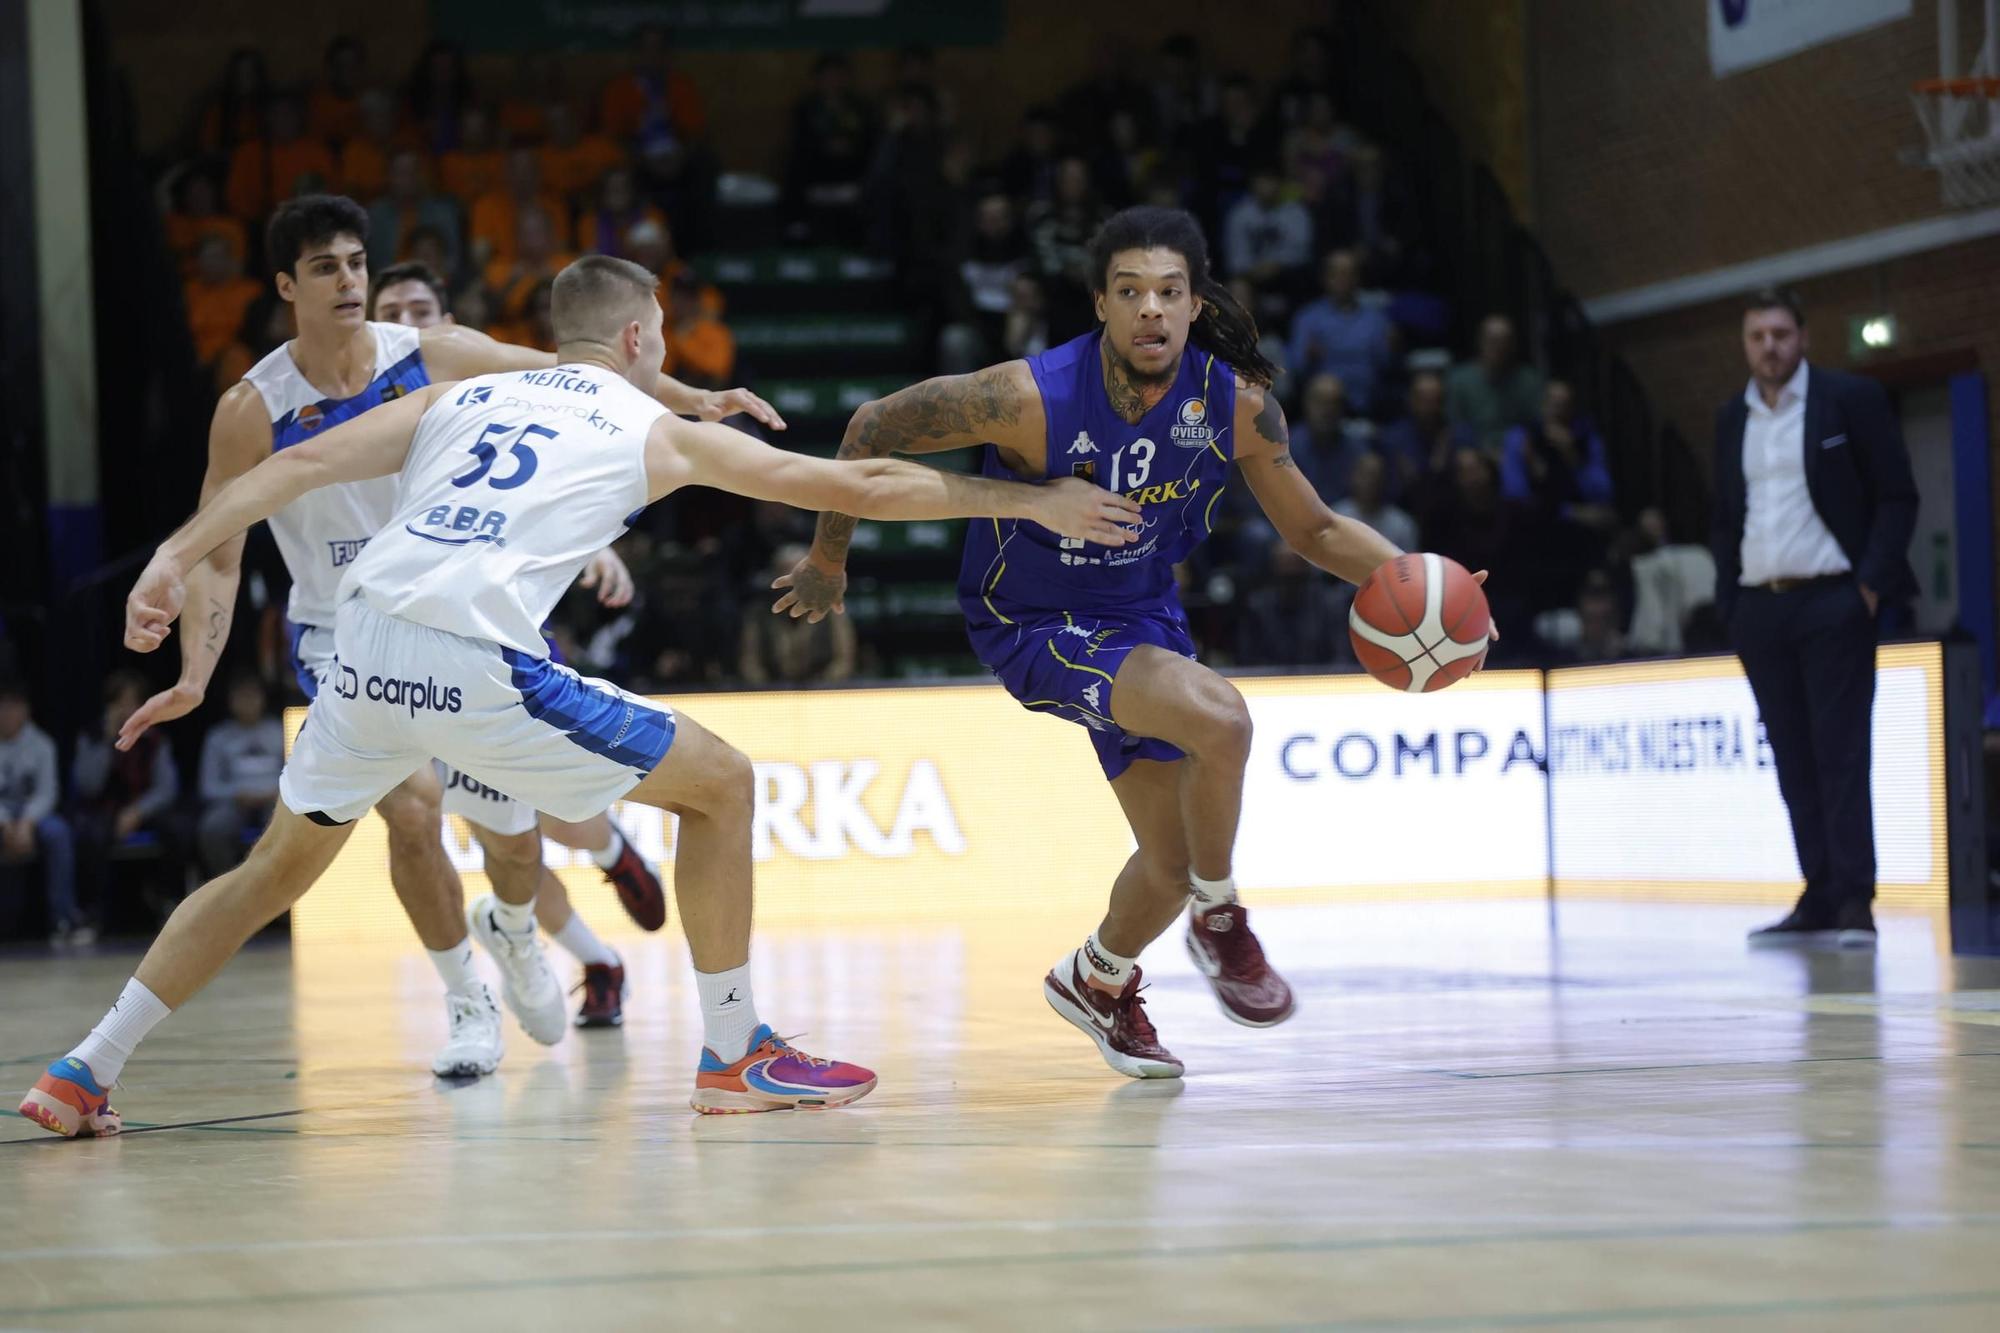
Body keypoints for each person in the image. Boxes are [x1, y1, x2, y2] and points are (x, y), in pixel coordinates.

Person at [18, 253, 1143, 1137]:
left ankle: (84, 1069)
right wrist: (1032, 502)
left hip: (355, 649)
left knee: (272, 868)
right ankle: (734, 1052)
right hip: (467, 656)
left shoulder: (460, 396)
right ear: (642, 336)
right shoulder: (652, 426)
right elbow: (857, 482)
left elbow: (297, 467)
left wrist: (174, 553)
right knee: (720, 785)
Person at [774, 206, 1483, 1079]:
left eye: (1169, 292)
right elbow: (871, 429)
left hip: (1141, 616)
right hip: (1032, 620)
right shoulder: (1029, 396)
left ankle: (1097, 978)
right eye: (1130, 291)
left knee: (1174, 856)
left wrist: (1425, 584)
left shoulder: (1238, 406)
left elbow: (1321, 532)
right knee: (1222, 718)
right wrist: (827, 556)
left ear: (1194, 305)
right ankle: (1223, 923)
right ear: (1100, 306)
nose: (1151, 309)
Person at [112, 196, 781, 1073]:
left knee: (510, 837)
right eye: (327, 267)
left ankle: (513, 926)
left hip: (463, 625)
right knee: (413, 809)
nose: (349, 280)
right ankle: (467, 1002)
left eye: (356, 261)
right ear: (286, 286)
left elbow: (572, 375)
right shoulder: (252, 406)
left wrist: (690, 397)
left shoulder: (438, 357)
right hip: (344, 634)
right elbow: (223, 554)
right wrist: (198, 671)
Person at [1713, 287, 1918, 949]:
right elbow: (1724, 516)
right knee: (1793, 758)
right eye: (1756, 336)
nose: (1768, 346)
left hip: (1833, 598)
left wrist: (1868, 586)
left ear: (1801, 336)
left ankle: (1855, 897)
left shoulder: (1848, 400)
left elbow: (1897, 494)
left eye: (1779, 333)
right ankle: (1819, 892)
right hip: (1760, 606)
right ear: (1745, 344)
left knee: (1841, 752)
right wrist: (1731, 604)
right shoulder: (1730, 419)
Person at [0, 679, 81, 944]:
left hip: (33, 818)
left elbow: (48, 792)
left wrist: (26, 823)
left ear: (25, 710)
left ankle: (62, 918)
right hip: (3, 818)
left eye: (12, 707)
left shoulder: (42, 745)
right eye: (2, 707)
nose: (6, 714)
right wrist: (5, 823)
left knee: (58, 833)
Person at [195, 675, 284, 877]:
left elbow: (297, 776)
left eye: (252, 696)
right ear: (231, 701)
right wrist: (236, 794)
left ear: (263, 698)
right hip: (233, 802)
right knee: (213, 827)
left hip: (274, 800)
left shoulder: (280, 730)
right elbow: (208, 786)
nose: (247, 702)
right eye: (241, 697)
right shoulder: (218, 737)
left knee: (286, 826)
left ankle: (276, 889)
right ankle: (225, 887)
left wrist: (276, 792)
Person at [1287, 250, 1393, 416]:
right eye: (1336, 273)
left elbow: (1385, 366)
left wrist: (1393, 348)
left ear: (1358, 279)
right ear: (1325, 278)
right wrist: (1309, 357)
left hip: (1369, 408)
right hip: (1323, 412)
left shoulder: (1376, 320)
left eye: (1349, 273)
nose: (1343, 279)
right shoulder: (1307, 319)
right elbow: (1297, 369)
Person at [1446, 314, 1544, 450]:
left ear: (1513, 345)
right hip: (1476, 450)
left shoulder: (1528, 379)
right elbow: (1456, 425)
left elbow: (1536, 422)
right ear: (1480, 341)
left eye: (1505, 341)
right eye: (1493, 341)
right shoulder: (1459, 379)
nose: (1499, 347)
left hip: (1517, 450)